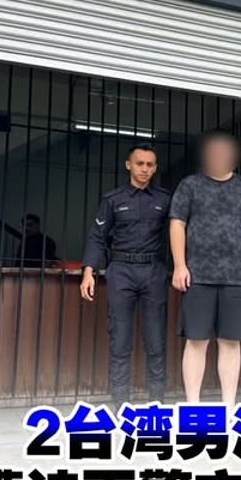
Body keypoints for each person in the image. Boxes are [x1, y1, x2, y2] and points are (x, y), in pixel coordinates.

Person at [169, 130, 241, 405]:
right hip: (198, 276)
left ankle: (229, 406)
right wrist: (179, 265)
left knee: (230, 342)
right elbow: (177, 223)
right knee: (196, 341)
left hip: (235, 278)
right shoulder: (190, 185)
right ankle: (193, 404)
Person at [81, 143, 173, 408]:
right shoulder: (113, 199)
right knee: (120, 338)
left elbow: (180, 231)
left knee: (155, 339)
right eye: (140, 163)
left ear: (155, 168)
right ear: (128, 164)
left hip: (154, 271)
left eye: (150, 165)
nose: (144, 169)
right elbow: (97, 237)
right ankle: (121, 402)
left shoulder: (165, 199)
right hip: (121, 271)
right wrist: (88, 271)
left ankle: (157, 401)